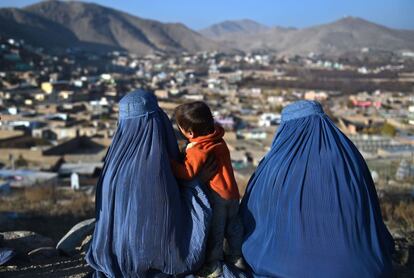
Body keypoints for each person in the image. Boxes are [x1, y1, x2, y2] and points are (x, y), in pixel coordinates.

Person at [240, 100, 394, 278]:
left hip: (284, 269)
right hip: (365, 270)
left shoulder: (275, 166)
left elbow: (250, 215)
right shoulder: (350, 157)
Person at [86, 90, 217, 277]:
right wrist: (197, 183)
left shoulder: (112, 165)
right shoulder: (154, 164)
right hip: (159, 254)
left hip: (115, 254)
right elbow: (168, 212)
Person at [171, 101, 244, 278]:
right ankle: (236, 256)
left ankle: (213, 264)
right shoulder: (218, 139)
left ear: (189, 132)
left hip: (217, 196)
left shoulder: (199, 148)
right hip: (232, 194)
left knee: (216, 232)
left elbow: (187, 173)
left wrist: (170, 163)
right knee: (233, 225)